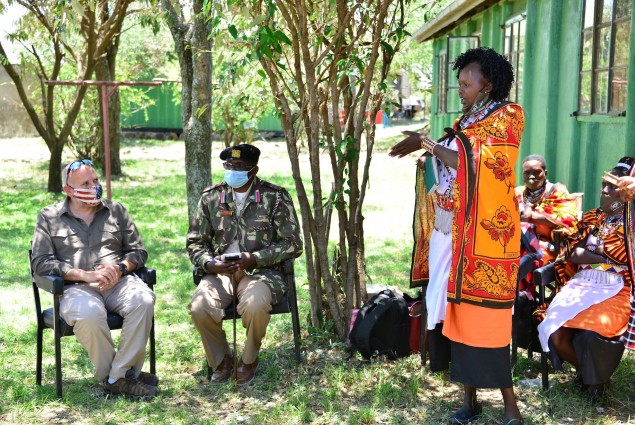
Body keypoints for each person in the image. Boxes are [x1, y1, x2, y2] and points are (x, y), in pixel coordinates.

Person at [389, 47, 524, 424]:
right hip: (452, 236)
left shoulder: (508, 116)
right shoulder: (465, 124)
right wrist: (429, 156)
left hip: (486, 241)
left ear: (488, 85)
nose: (461, 90)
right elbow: (452, 165)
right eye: (459, 83)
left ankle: (511, 406)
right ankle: (468, 401)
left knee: (489, 322)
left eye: (467, 84)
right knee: (455, 316)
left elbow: (483, 165)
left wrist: (428, 144)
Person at [31, 159, 158, 398]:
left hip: (118, 282)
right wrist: (83, 274)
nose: (94, 186)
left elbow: (138, 252)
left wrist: (120, 268)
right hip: (76, 288)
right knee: (88, 313)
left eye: (96, 180)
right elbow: (40, 262)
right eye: (86, 183)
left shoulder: (116, 210)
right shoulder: (49, 216)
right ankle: (122, 378)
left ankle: (116, 378)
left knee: (143, 299)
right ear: (68, 190)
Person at [187, 144, 303, 385]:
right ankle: (221, 360)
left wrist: (255, 258)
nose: (233, 171)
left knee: (255, 304)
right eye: (229, 166)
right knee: (199, 307)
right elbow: (195, 242)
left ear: (253, 170)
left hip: (261, 271)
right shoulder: (212, 196)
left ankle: (249, 359)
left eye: (240, 167)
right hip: (221, 271)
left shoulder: (275, 196)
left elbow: (293, 244)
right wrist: (209, 263)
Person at [537, 157, 635, 403]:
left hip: (618, 287)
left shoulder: (631, 222)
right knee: (555, 333)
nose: (603, 190)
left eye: (611, 186)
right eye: (603, 184)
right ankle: (591, 374)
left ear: (625, 192)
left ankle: (594, 380)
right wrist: (604, 252)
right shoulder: (593, 218)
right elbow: (571, 250)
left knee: (593, 334)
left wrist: (593, 252)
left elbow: (624, 257)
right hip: (582, 282)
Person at [515, 154, 578, 302]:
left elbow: (568, 219)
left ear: (545, 173)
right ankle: (515, 301)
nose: (531, 177)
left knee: (524, 260)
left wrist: (532, 217)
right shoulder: (517, 193)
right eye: (527, 173)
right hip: (517, 244)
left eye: (536, 172)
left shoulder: (556, 191)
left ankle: (525, 298)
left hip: (548, 247)